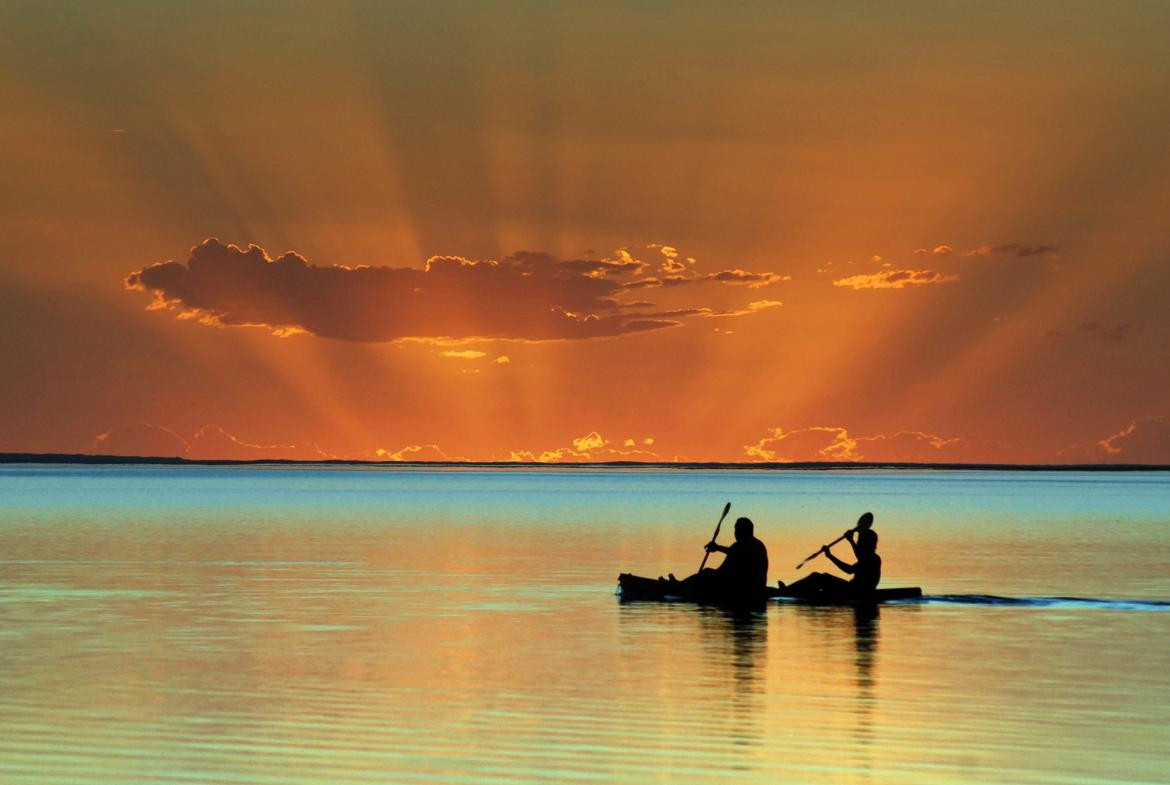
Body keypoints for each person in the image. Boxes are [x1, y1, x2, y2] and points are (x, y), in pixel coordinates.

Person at [666, 516, 769, 596]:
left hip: (744, 588)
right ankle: (681, 584)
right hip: (754, 585)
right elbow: (727, 564)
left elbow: (727, 564)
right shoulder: (759, 544)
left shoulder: (744, 545)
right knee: (708, 573)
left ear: (742, 531)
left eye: (736, 529)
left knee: (706, 573)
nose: (735, 532)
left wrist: (717, 548)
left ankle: (679, 586)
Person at [786, 516, 881, 596]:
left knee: (816, 577)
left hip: (855, 592)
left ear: (866, 544)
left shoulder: (874, 559)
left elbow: (856, 564)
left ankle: (786, 592)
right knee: (819, 578)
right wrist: (830, 556)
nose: (858, 543)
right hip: (852, 589)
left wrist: (851, 541)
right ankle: (790, 590)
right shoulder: (867, 558)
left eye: (859, 541)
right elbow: (850, 569)